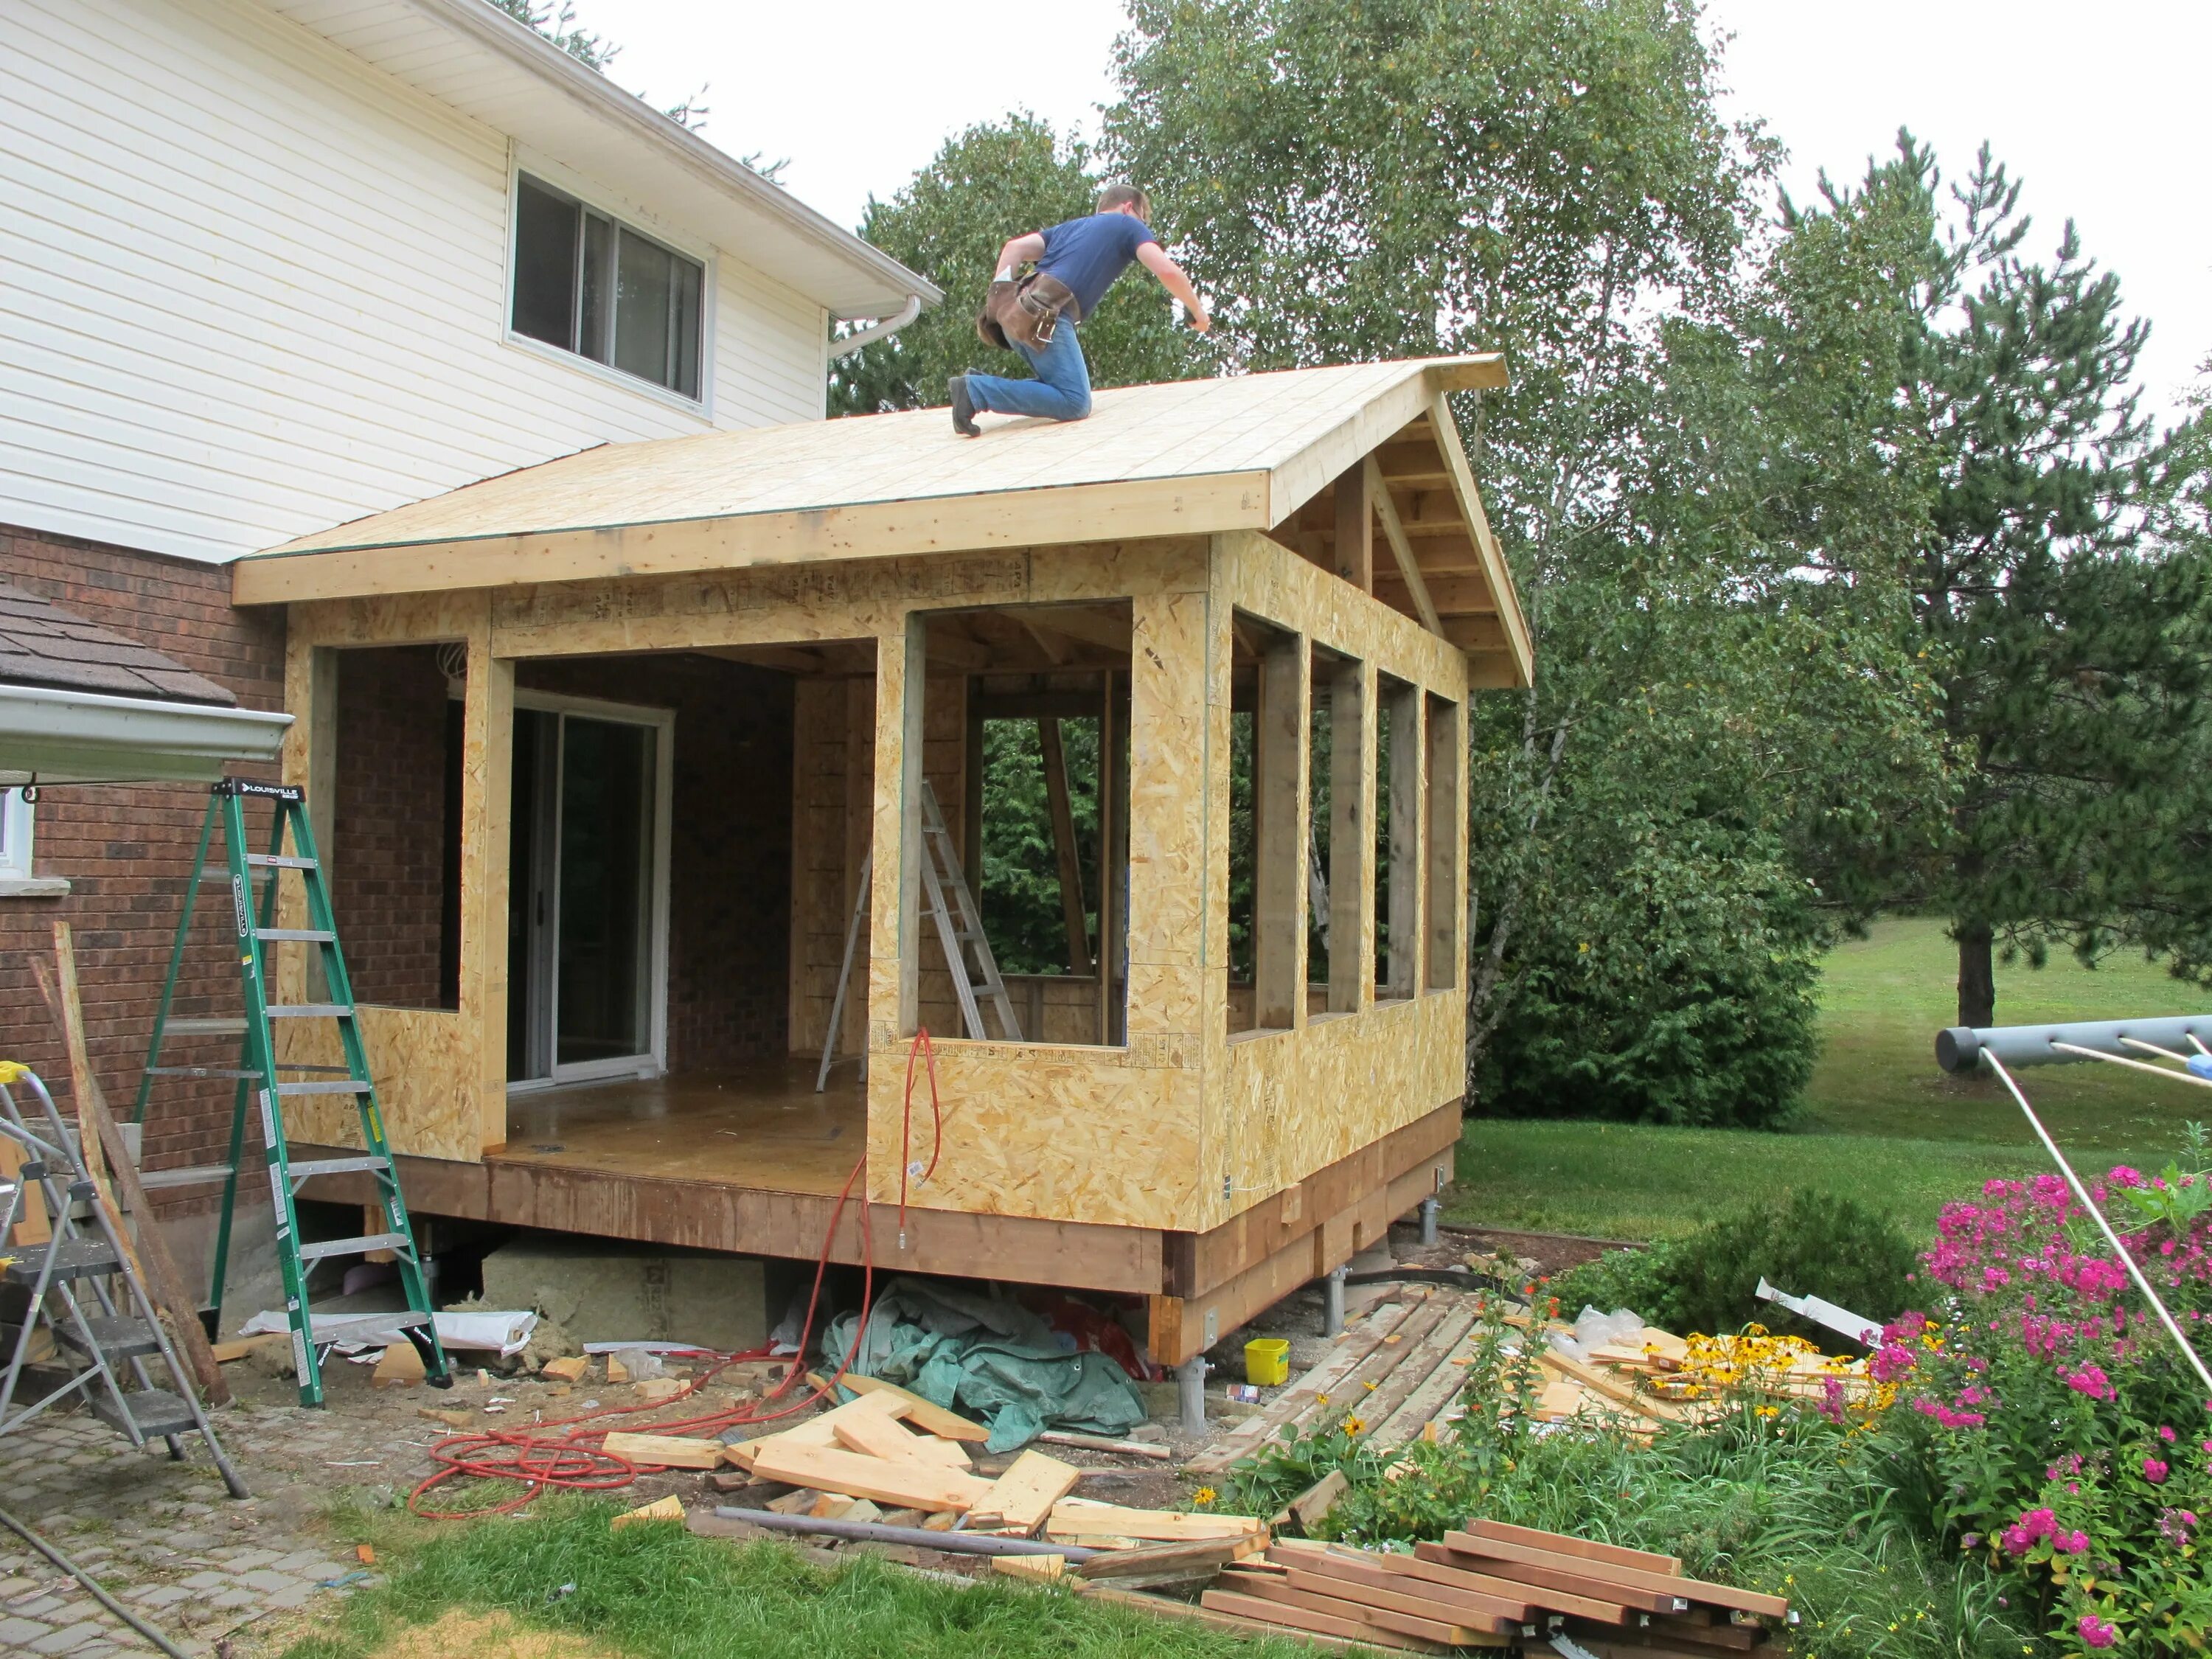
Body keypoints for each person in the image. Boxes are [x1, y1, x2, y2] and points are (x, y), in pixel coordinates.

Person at [950, 184, 1210, 437]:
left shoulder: (1068, 229)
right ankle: (977, 391)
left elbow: (1014, 248)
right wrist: (1197, 310)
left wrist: (998, 303)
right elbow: (1166, 270)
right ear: (1129, 208)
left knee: (1057, 390)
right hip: (1047, 314)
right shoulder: (1127, 224)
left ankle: (979, 386)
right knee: (1075, 401)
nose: (1143, 227)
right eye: (1143, 220)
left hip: (1018, 315)